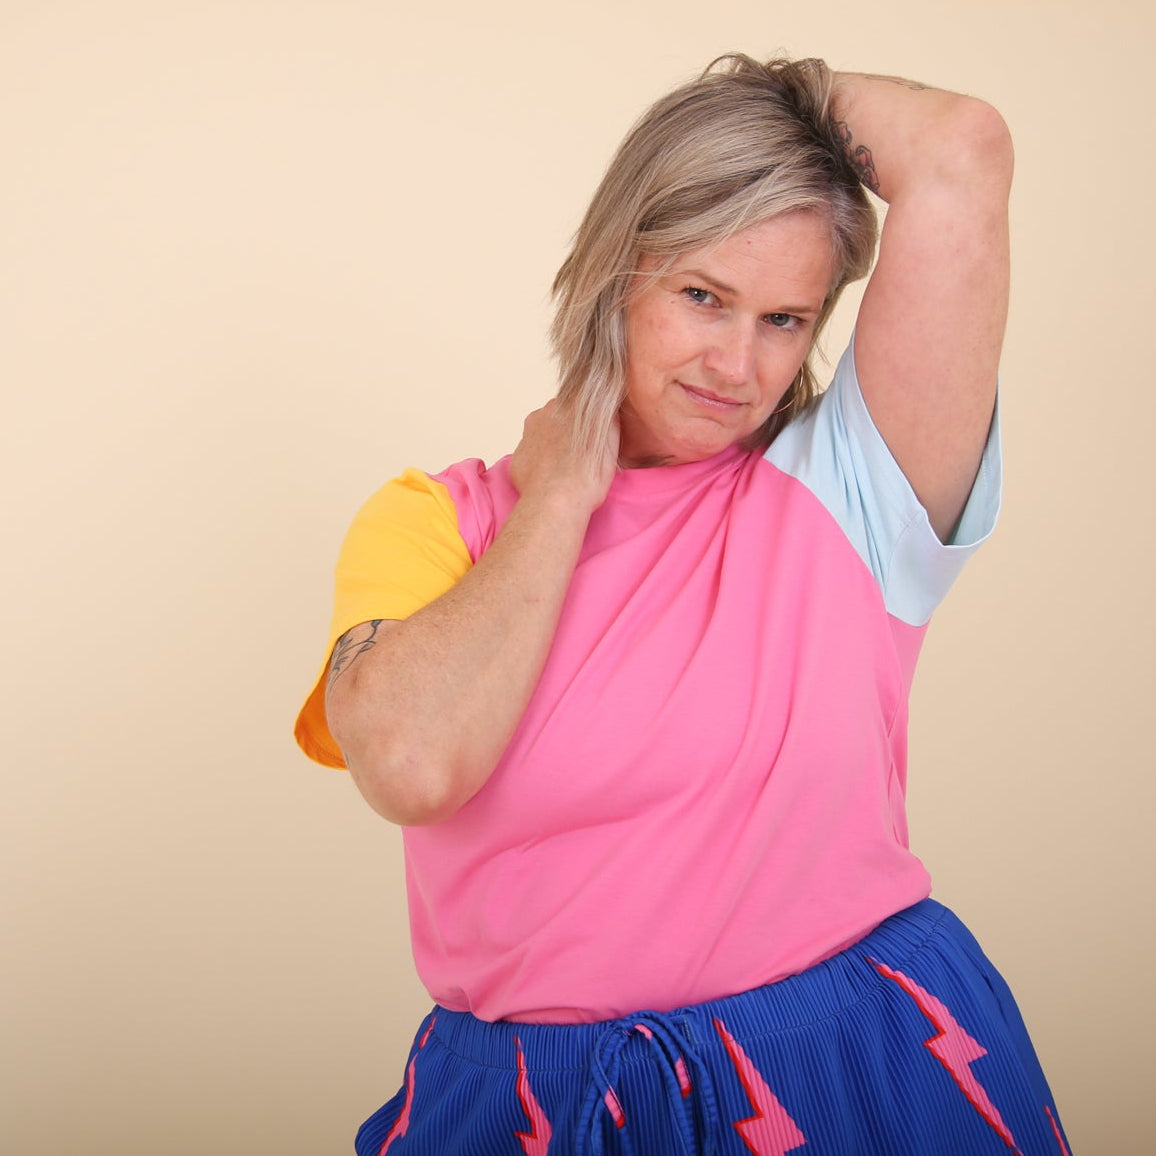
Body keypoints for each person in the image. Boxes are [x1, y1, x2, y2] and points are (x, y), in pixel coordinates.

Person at [295, 54, 1072, 1156]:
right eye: (702, 296)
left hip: (853, 1060)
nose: (736, 363)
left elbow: (961, 150)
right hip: (536, 1105)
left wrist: (778, 98)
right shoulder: (436, 521)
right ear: (617, 273)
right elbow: (411, 762)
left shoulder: (849, 492)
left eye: (785, 318)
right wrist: (563, 488)